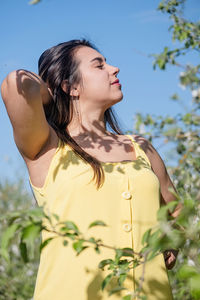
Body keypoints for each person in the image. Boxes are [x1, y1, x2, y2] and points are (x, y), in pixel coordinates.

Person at [1, 39, 180, 300]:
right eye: (100, 65)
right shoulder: (47, 146)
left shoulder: (141, 147)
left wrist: (172, 237)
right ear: (71, 86)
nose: (115, 68)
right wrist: (53, 94)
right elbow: (15, 82)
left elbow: (175, 210)